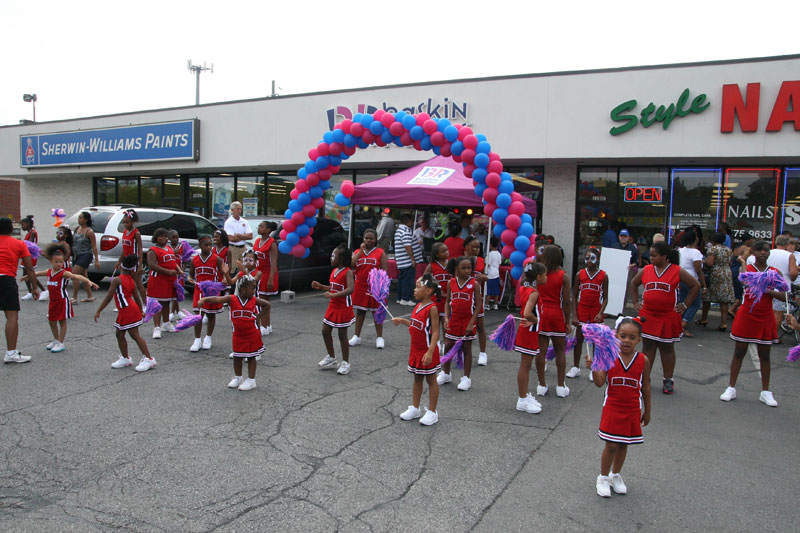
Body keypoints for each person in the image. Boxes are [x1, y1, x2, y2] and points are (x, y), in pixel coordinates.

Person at [720, 240, 787, 407]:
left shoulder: (774, 272)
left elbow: (784, 294)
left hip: (765, 316)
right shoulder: (747, 269)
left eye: (765, 250)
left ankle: (765, 392)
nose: (763, 253)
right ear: (754, 253)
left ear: (769, 253)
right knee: (739, 352)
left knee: (765, 355)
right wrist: (743, 264)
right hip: (746, 314)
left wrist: (768, 290)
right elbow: (745, 281)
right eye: (759, 250)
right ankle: (731, 387)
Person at [592, 317, 651, 498]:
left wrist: (647, 410)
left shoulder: (643, 360)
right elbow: (600, 383)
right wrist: (594, 368)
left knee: (624, 444)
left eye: (632, 337)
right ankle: (602, 477)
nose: (627, 340)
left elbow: (646, 386)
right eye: (623, 336)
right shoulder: (609, 355)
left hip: (632, 409)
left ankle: (615, 474)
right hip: (612, 407)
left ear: (639, 340)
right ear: (616, 336)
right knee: (611, 445)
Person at [630, 241, 700, 395]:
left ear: (665, 257)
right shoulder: (647, 269)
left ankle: (668, 379)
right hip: (648, 315)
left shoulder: (677, 270)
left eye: (655, 255)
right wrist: (635, 302)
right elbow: (634, 283)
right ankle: (644, 378)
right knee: (648, 347)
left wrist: (685, 305)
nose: (651, 258)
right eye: (651, 255)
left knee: (666, 348)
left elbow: (695, 286)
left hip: (668, 315)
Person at [22, 245, 97, 353]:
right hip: (53, 301)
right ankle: (56, 340)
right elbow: (38, 273)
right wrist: (28, 276)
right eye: (56, 262)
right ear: (51, 262)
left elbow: (77, 276)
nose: (59, 264)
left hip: (62, 300)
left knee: (62, 321)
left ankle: (61, 343)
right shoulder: (49, 272)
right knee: (51, 322)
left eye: (61, 262)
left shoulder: (64, 273)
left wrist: (89, 281)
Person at [199, 276, 269, 391]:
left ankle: (252, 380)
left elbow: (267, 305)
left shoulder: (254, 300)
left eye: (255, 288)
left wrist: (259, 317)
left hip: (252, 334)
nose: (254, 291)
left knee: (251, 356)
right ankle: (238, 377)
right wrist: (205, 299)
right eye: (252, 288)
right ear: (242, 289)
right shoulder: (232, 299)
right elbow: (218, 299)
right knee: (237, 356)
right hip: (238, 334)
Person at [392, 275, 442, 426]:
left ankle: (433, 412)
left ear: (428, 290)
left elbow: (435, 332)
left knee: (431, 380)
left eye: (417, 287)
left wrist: (430, 352)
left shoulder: (432, 308)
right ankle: (415, 408)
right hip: (416, 351)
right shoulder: (417, 306)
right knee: (417, 378)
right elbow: (416, 325)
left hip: (427, 351)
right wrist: (403, 321)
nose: (414, 290)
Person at [94, 254, 157, 372]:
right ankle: (125, 358)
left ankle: (149, 358)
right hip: (128, 310)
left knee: (134, 335)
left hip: (128, 310)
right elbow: (137, 298)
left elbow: (108, 297)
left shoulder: (117, 280)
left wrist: (99, 310)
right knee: (119, 334)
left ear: (120, 266)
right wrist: (140, 310)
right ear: (133, 269)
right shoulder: (131, 280)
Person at [437, 256, 481, 391]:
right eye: (463, 268)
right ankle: (446, 373)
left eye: (469, 268)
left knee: (467, 349)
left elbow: (479, 304)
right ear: (457, 269)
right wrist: (446, 318)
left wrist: (471, 322)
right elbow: (447, 302)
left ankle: (466, 378)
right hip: (453, 321)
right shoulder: (451, 282)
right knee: (448, 347)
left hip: (468, 322)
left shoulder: (474, 284)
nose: (467, 271)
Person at [534, 245, 573, 398]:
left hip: (542, 314)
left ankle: (541, 384)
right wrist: (567, 321)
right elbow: (566, 302)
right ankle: (560, 385)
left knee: (541, 351)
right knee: (560, 350)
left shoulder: (538, 274)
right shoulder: (564, 276)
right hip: (556, 314)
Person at [314, 244, 355, 375]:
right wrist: (321, 286)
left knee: (342, 335)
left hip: (343, 306)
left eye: (333, 255)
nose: (331, 258)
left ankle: (346, 363)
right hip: (333, 305)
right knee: (325, 331)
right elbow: (333, 287)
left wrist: (333, 295)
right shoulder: (334, 271)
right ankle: (331, 357)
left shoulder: (348, 271)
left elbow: (350, 289)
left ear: (341, 258)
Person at [1, 217, 37, 362]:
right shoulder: (19, 244)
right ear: (11, 229)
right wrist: (34, 287)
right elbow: (29, 267)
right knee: (11, 317)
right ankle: (11, 354)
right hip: (6, 280)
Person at [187, 235, 230, 352]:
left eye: (211, 245)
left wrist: (225, 280)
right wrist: (190, 278)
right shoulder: (194, 259)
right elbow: (191, 274)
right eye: (206, 245)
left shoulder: (217, 259)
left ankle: (208, 337)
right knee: (198, 314)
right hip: (199, 289)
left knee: (211, 314)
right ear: (200, 245)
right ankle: (197, 340)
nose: (209, 247)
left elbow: (223, 274)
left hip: (212, 289)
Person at [515, 260, 547, 414]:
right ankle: (522, 400)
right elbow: (528, 312)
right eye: (545, 274)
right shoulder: (534, 292)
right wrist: (535, 320)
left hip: (528, 331)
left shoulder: (525, 287)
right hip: (528, 332)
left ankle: (525, 395)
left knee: (526, 365)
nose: (547, 277)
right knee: (525, 366)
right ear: (539, 277)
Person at [571, 247, 608, 379]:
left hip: (595, 311)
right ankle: (575, 367)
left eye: (592, 258)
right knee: (578, 339)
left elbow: (606, 298)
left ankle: (595, 368)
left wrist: (600, 312)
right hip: (582, 309)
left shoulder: (603, 275)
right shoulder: (579, 274)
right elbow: (574, 297)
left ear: (597, 259)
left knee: (595, 340)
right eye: (586, 258)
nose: (589, 261)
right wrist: (575, 315)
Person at [746, 234, 797, 328]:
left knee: (762, 311)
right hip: (781, 288)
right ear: (787, 244)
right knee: (778, 313)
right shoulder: (789, 255)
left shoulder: (768, 253)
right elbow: (793, 273)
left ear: (776, 243)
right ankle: (773, 336)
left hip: (764, 286)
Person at [349, 229, 388, 349]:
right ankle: (357, 337)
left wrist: (381, 288)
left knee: (377, 312)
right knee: (360, 312)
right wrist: (360, 251)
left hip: (375, 286)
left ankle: (379, 337)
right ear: (363, 239)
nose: (369, 240)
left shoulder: (380, 252)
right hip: (360, 286)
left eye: (371, 238)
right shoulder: (357, 252)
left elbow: (384, 271)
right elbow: (351, 265)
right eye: (367, 238)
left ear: (375, 240)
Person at [146, 228, 181, 339]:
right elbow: (151, 265)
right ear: (156, 237)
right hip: (158, 280)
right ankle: (157, 327)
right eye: (161, 236)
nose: (164, 238)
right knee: (157, 304)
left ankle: (166, 323)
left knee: (166, 303)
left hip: (169, 280)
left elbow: (173, 262)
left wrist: (179, 270)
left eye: (166, 236)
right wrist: (168, 272)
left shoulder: (168, 249)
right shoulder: (153, 250)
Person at [696, 232, 735, 330]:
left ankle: (704, 319)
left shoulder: (712, 249)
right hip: (726, 272)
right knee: (724, 299)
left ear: (713, 240)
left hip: (715, 273)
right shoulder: (729, 250)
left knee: (707, 297)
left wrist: (703, 261)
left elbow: (710, 262)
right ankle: (723, 323)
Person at [464, 236, 489, 366]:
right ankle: (460, 352)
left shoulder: (480, 260)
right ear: (467, 247)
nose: (477, 249)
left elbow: (486, 275)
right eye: (474, 247)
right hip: (463, 297)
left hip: (477, 298)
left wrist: (484, 277)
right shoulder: (460, 260)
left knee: (480, 326)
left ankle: (483, 353)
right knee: (461, 326)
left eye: (479, 247)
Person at [677, 230, 707, 337]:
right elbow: (698, 270)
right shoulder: (696, 253)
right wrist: (704, 285)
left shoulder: (680, 250)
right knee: (694, 304)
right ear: (695, 240)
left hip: (680, 279)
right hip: (692, 281)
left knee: (682, 302)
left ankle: (678, 324)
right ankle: (683, 325)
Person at [253, 221, 278, 336]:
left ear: (268, 230)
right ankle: (267, 325)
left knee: (264, 300)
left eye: (261, 227)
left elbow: (274, 263)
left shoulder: (272, 243)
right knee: (260, 300)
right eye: (259, 226)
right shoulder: (257, 241)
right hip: (257, 273)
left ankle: (264, 325)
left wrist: (271, 279)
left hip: (267, 273)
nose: (259, 228)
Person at [424, 242, 450, 353]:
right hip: (436, 299)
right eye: (443, 251)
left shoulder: (451, 264)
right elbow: (425, 280)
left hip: (447, 299)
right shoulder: (432, 265)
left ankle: (446, 344)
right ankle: (436, 343)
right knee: (435, 323)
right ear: (437, 254)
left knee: (446, 323)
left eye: (447, 250)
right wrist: (438, 289)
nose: (446, 252)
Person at [114, 209, 145, 300]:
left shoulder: (136, 233)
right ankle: (125, 301)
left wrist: (139, 265)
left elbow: (140, 249)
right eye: (124, 223)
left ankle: (145, 304)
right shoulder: (125, 232)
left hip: (133, 261)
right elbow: (125, 249)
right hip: (125, 261)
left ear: (133, 222)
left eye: (127, 222)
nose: (125, 225)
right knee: (124, 282)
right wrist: (119, 261)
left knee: (138, 283)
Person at [71, 211, 100, 303]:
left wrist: (96, 260)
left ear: (86, 220)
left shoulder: (89, 232)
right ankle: (90, 296)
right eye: (79, 218)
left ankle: (75, 297)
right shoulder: (77, 229)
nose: (79, 219)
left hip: (86, 255)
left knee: (75, 275)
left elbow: (94, 246)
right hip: (77, 255)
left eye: (81, 218)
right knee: (84, 275)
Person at [394, 213, 423, 306]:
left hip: (401, 260)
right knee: (408, 281)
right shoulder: (406, 231)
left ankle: (400, 298)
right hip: (407, 261)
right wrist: (413, 259)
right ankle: (406, 298)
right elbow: (407, 246)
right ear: (408, 221)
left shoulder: (399, 230)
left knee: (402, 280)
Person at [19, 215, 46, 301]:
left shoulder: (33, 233)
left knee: (30, 274)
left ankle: (43, 290)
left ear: (28, 223)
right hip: (26, 255)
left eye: (23, 224)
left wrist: (20, 244)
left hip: (30, 256)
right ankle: (30, 292)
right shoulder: (29, 232)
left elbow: (29, 244)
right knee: (25, 274)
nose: (22, 226)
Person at [168, 230, 192, 321]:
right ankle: (176, 312)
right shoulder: (167, 247)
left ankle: (173, 312)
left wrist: (182, 269)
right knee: (172, 293)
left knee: (177, 293)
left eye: (177, 237)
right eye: (173, 237)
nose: (175, 239)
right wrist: (173, 253)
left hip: (179, 274)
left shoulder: (182, 246)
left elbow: (185, 260)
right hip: (170, 272)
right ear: (169, 238)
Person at [223, 201, 252, 273]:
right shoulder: (228, 222)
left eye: (240, 209)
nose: (240, 211)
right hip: (233, 248)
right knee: (232, 269)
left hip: (243, 248)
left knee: (245, 269)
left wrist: (238, 235)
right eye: (238, 209)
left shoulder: (244, 221)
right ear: (232, 210)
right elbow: (231, 238)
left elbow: (250, 236)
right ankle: (232, 283)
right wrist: (244, 236)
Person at [485, 237, 502, 310]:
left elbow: (487, 264)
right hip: (496, 273)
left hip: (490, 273)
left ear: (490, 244)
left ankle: (487, 304)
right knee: (496, 290)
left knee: (488, 290)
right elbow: (499, 263)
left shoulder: (490, 254)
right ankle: (495, 304)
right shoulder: (499, 254)